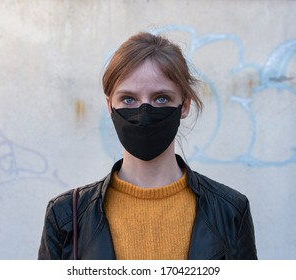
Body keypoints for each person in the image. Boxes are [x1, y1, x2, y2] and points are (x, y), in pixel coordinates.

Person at [38, 32, 257, 260]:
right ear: (109, 106)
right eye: (128, 99)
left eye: (161, 98)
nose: (144, 114)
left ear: (184, 105)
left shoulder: (230, 211)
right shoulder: (66, 215)